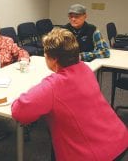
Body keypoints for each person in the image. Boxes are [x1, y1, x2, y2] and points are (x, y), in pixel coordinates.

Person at [11, 28, 128, 160]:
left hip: (97, 155)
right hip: (118, 138)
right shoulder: (85, 69)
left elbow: (19, 112)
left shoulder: (53, 86)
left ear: (53, 59)